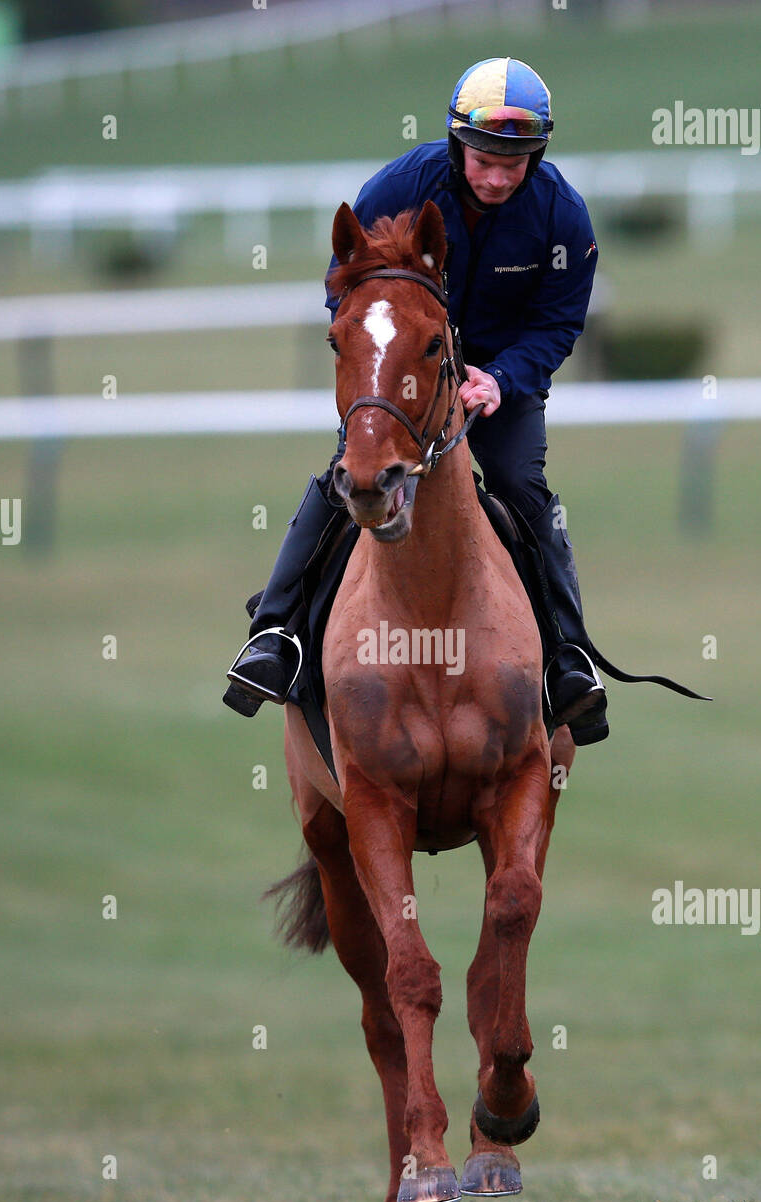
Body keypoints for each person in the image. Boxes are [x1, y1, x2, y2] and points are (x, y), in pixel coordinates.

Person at [225, 55, 608, 744]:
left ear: (537, 154)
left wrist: (501, 378)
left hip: (495, 384)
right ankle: (274, 635)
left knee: (522, 483)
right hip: (402, 381)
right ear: (458, 144)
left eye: (513, 163)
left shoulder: (562, 218)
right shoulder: (398, 189)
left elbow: (557, 324)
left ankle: (569, 661)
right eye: (483, 158)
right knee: (349, 477)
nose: (495, 177)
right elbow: (345, 292)